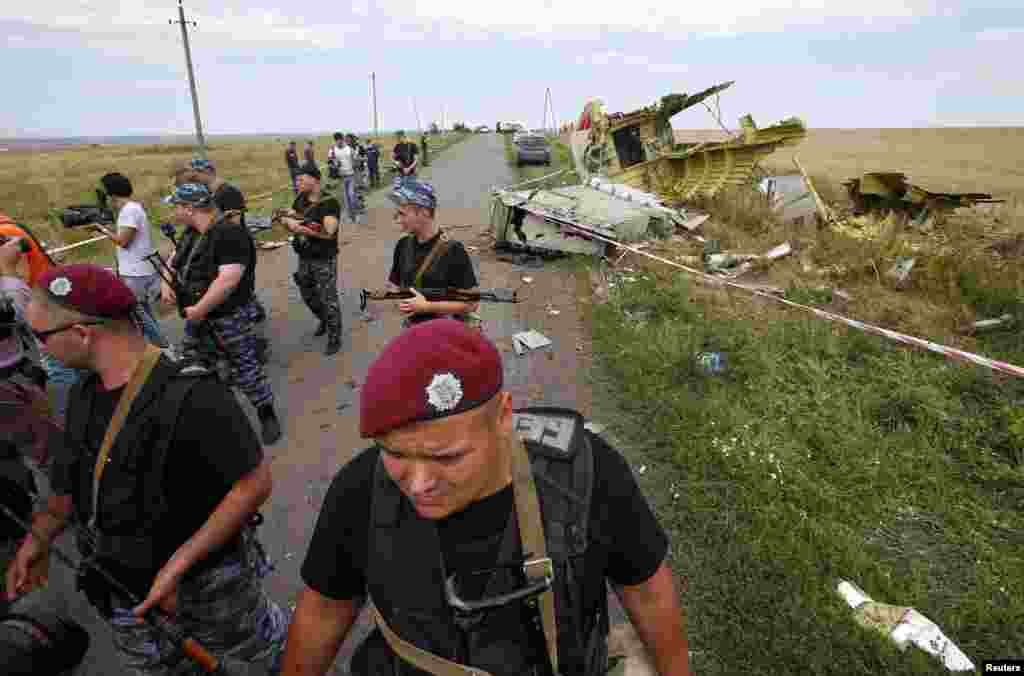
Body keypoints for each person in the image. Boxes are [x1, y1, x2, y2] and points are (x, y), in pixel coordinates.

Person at [279, 319, 691, 676]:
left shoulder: (586, 474)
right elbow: (324, 613)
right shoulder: (360, 490)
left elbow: (647, 593)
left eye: (447, 457)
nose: (418, 484)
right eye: (395, 453)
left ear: (504, 416)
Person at [6, 263, 287, 675]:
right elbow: (70, 485)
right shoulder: (83, 394)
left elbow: (253, 483)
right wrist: (38, 540)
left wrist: (178, 565)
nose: (39, 350)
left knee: (261, 658)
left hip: (207, 590)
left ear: (82, 333)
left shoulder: (192, 393)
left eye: (40, 336)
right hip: (123, 590)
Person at [160, 183, 283, 444]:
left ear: (190, 208)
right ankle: (219, 415)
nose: (173, 212)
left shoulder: (229, 234)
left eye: (176, 207)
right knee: (196, 367)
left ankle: (266, 413)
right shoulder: (193, 233)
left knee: (245, 366)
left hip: (228, 316)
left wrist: (199, 309)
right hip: (197, 317)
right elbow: (174, 259)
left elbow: (228, 280)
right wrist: (166, 283)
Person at [187, 159, 271, 363]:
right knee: (240, 297)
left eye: (196, 173)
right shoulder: (213, 193)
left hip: (236, 250)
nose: (194, 178)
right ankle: (252, 335)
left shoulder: (228, 193)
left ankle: (252, 346)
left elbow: (234, 224)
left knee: (239, 297)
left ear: (207, 171)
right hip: (227, 250)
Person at [386, 180, 479, 329]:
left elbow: (472, 303)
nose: (397, 219)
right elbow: (393, 285)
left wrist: (427, 307)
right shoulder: (403, 245)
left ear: (425, 213)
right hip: (413, 330)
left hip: (445, 332)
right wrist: (401, 302)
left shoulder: (453, 250)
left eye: (402, 214)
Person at [96, 172, 168, 349]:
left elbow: (123, 241)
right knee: (144, 314)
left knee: (141, 317)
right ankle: (160, 347)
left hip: (135, 273)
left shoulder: (129, 211)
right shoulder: (133, 208)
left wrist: (101, 230)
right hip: (139, 270)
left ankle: (162, 347)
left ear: (111, 192)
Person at [279, 164, 343, 356]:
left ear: (314, 179)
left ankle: (334, 336)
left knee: (328, 298)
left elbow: (328, 232)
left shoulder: (329, 202)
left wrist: (300, 228)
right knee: (307, 294)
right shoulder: (300, 198)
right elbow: (292, 216)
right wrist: (286, 220)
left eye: (301, 179)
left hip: (323, 258)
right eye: (296, 179)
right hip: (304, 256)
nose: (297, 182)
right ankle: (324, 319)